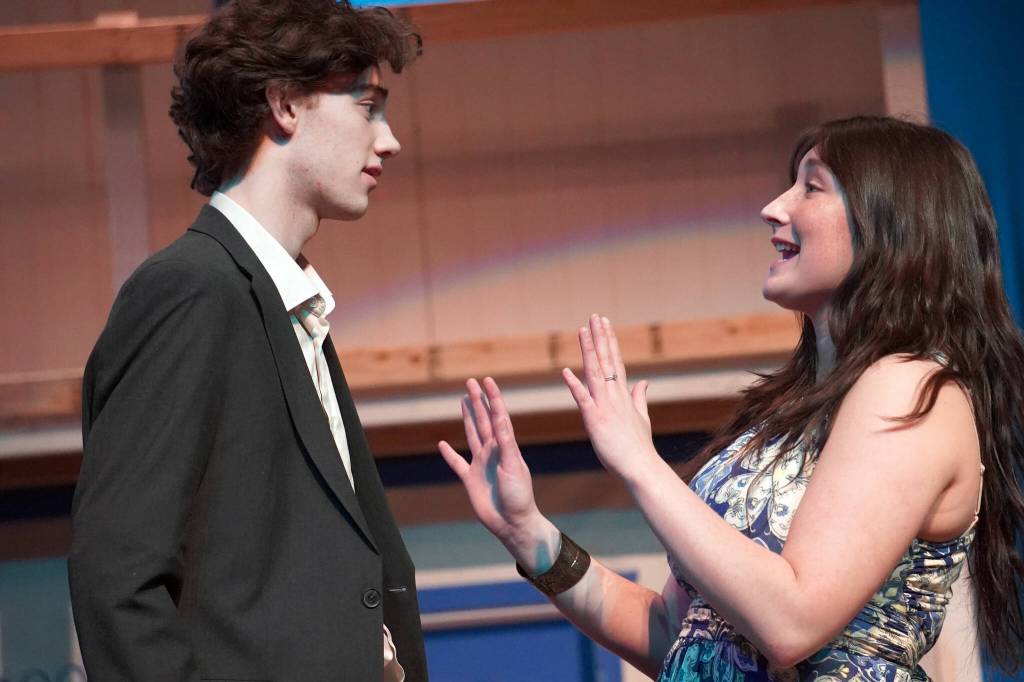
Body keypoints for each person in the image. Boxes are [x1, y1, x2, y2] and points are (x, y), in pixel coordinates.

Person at [439, 116, 1024, 680]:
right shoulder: (781, 419)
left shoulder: (912, 386)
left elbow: (791, 622)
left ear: (892, 224)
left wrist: (639, 462)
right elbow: (680, 634)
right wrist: (530, 535)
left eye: (811, 188)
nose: (774, 208)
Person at [68, 1, 426, 680]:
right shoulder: (192, 291)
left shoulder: (282, 303)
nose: (389, 140)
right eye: (367, 105)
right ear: (285, 104)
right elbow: (118, 577)